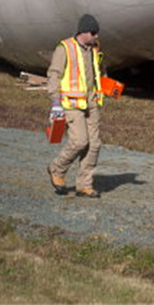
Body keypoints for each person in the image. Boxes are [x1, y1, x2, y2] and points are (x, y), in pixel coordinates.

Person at [46, 14, 107, 198]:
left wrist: (106, 86)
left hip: (92, 102)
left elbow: (99, 71)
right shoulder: (65, 48)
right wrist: (56, 104)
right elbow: (54, 75)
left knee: (94, 145)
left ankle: (84, 185)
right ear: (84, 32)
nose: (97, 36)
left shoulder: (94, 48)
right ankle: (56, 169)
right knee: (80, 141)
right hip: (71, 103)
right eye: (94, 33)